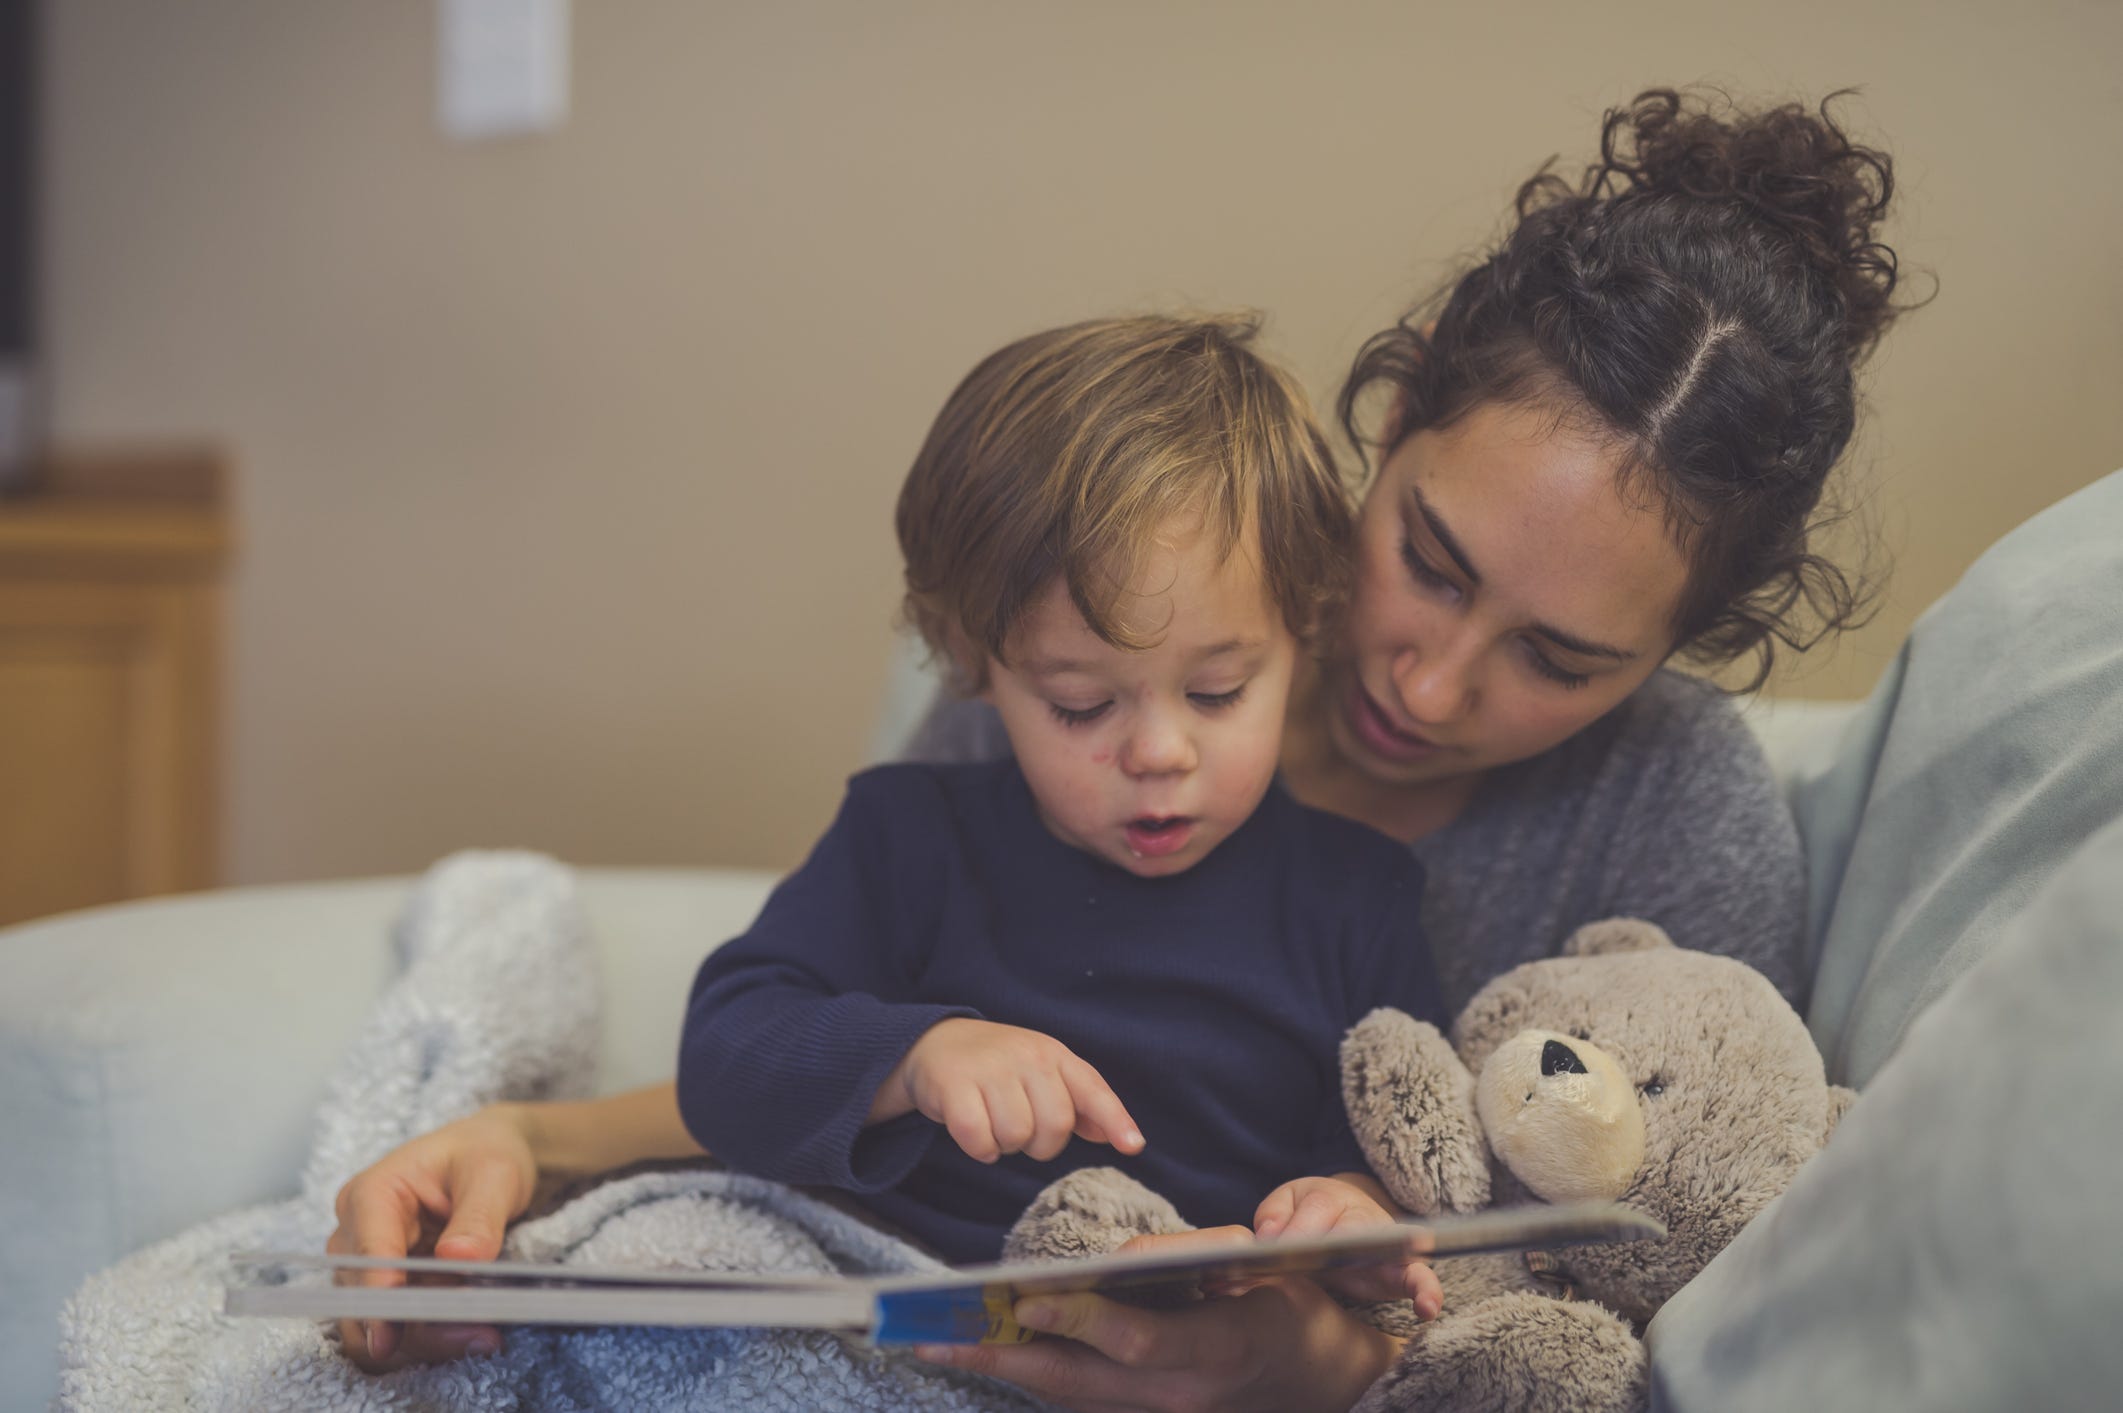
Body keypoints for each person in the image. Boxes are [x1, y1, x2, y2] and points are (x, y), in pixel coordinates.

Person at [330, 87, 1911, 1411]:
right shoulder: (1087, 614)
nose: (1429, 687)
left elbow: (1638, 1248)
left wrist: (1317, 1329)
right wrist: (531, 1142)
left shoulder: (1640, 827)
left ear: (1677, 648)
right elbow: (826, 1036)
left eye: (1558, 659)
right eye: (1426, 561)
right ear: (1400, 398)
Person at [675, 313, 1447, 1270]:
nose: (1160, 751)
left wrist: (1349, 1206)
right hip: (923, 1315)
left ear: (1306, 631)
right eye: (1081, 704)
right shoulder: (907, 840)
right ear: (973, 662)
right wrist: (917, 1058)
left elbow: (1399, 1153)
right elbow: (722, 1064)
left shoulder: (1357, 900)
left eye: (1216, 692)